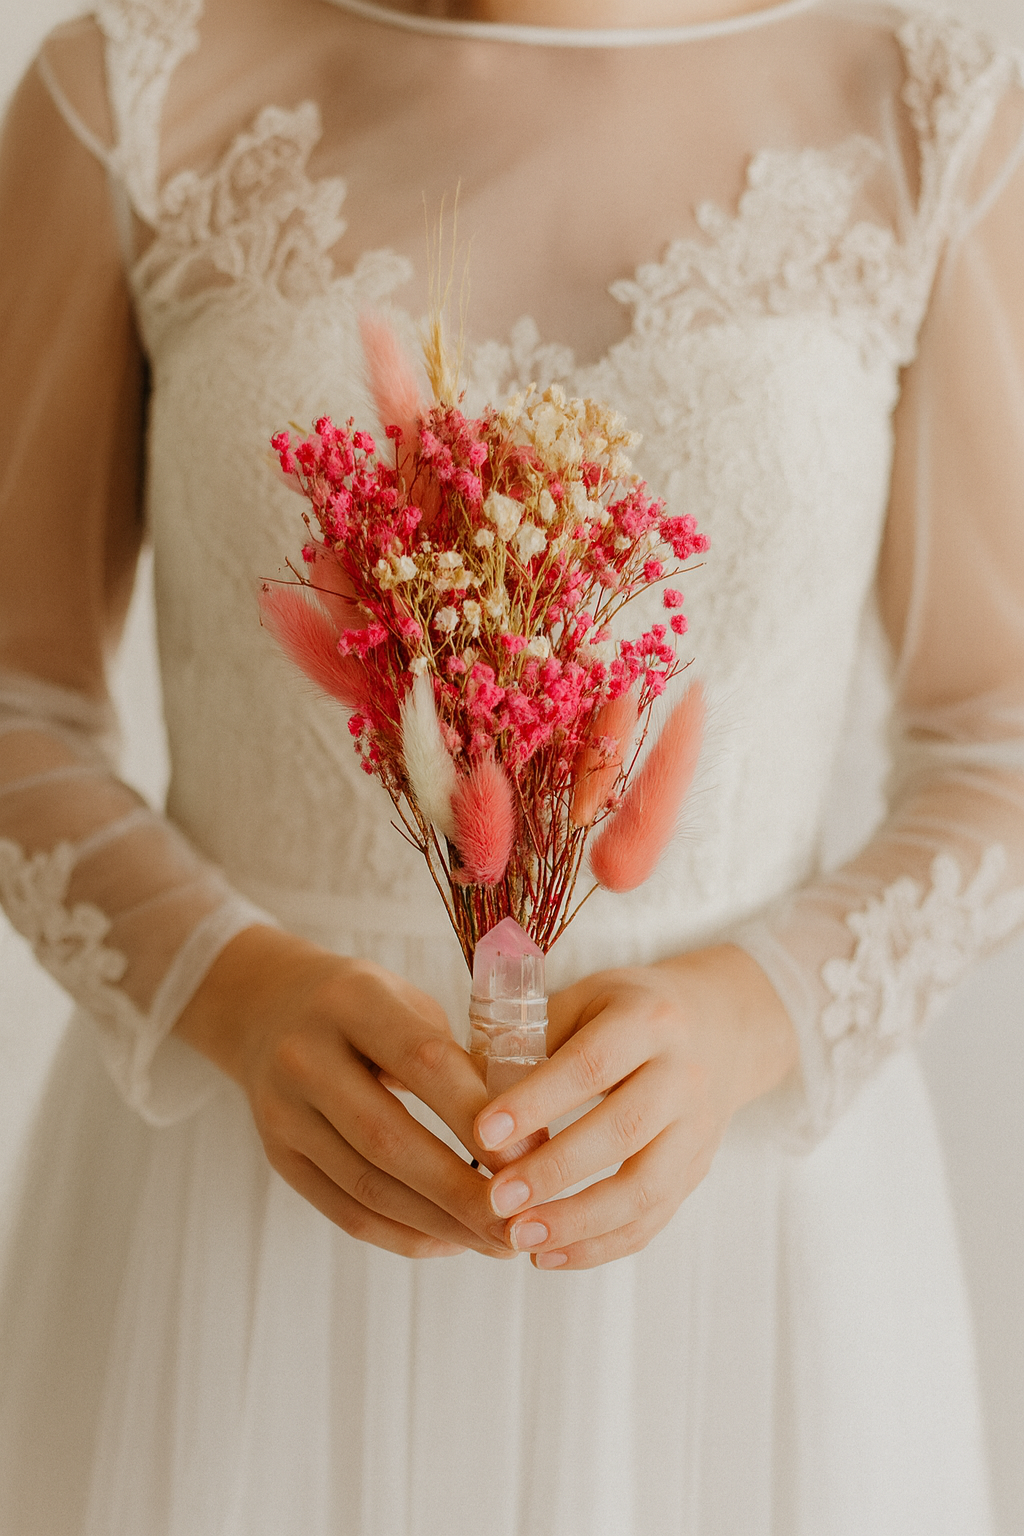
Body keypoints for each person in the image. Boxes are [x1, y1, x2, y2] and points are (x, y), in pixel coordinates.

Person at [1, 0, 1022, 1530]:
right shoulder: (129, 93)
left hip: (738, 1249)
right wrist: (230, 988)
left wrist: (757, 1017)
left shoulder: (926, 112)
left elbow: (995, 732)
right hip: (240, 1209)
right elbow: (17, 697)